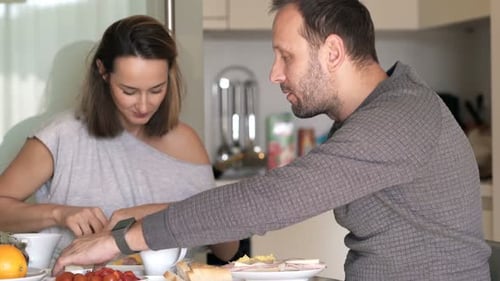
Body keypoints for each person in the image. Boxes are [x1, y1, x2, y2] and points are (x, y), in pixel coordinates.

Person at [53, 1, 491, 280]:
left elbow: (274, 198)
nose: (275, 73)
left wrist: (122, 240)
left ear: (333, 52)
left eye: (286, 56)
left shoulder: (398, 117)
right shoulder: (376, 114)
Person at [0, 15, 238, 264]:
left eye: (157, 89)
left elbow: (226, 250)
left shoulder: (186, 141)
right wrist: (59, 214)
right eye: (129, 91)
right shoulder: (61, 135)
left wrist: (149, 215)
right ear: (103, 72)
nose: (144, 105)